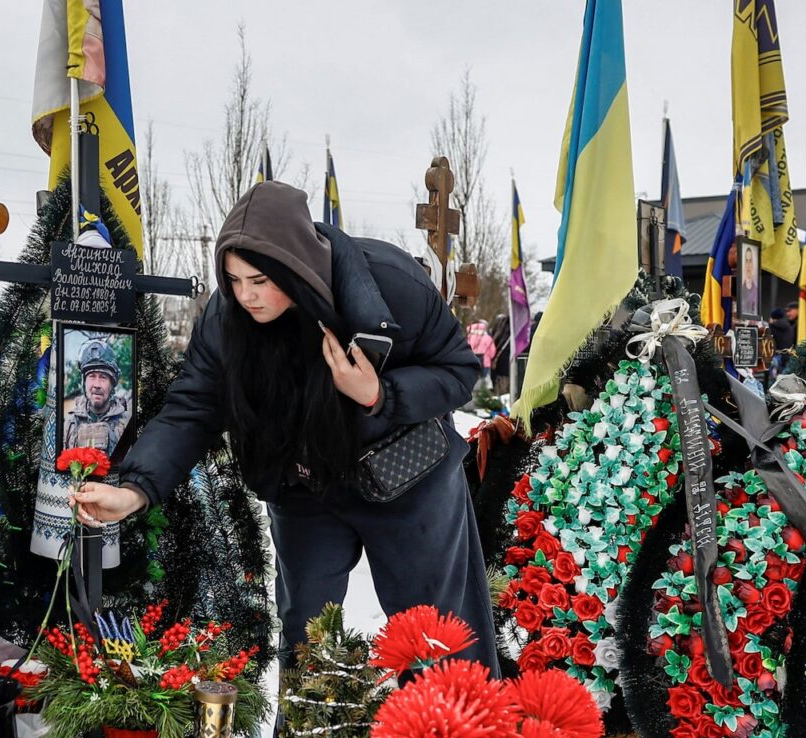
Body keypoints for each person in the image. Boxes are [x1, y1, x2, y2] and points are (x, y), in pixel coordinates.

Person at [69, 181, 500, 680]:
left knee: (436, 639)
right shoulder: (226, 317)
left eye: (259, 280)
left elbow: (457, 371)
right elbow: (192, 407)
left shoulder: (389, 283)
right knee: (306, 634)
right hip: (305, 485)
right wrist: (136, 488)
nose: (246, 295)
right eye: (232, 279)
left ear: (297, 268)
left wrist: (378, 394)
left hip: (406, 477)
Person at [62, 338, 132, 452]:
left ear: (112, 384)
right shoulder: (69, 424)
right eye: (92, 376)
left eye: (103, 377)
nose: (97, 385)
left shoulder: (126, 423)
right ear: (84, 382)